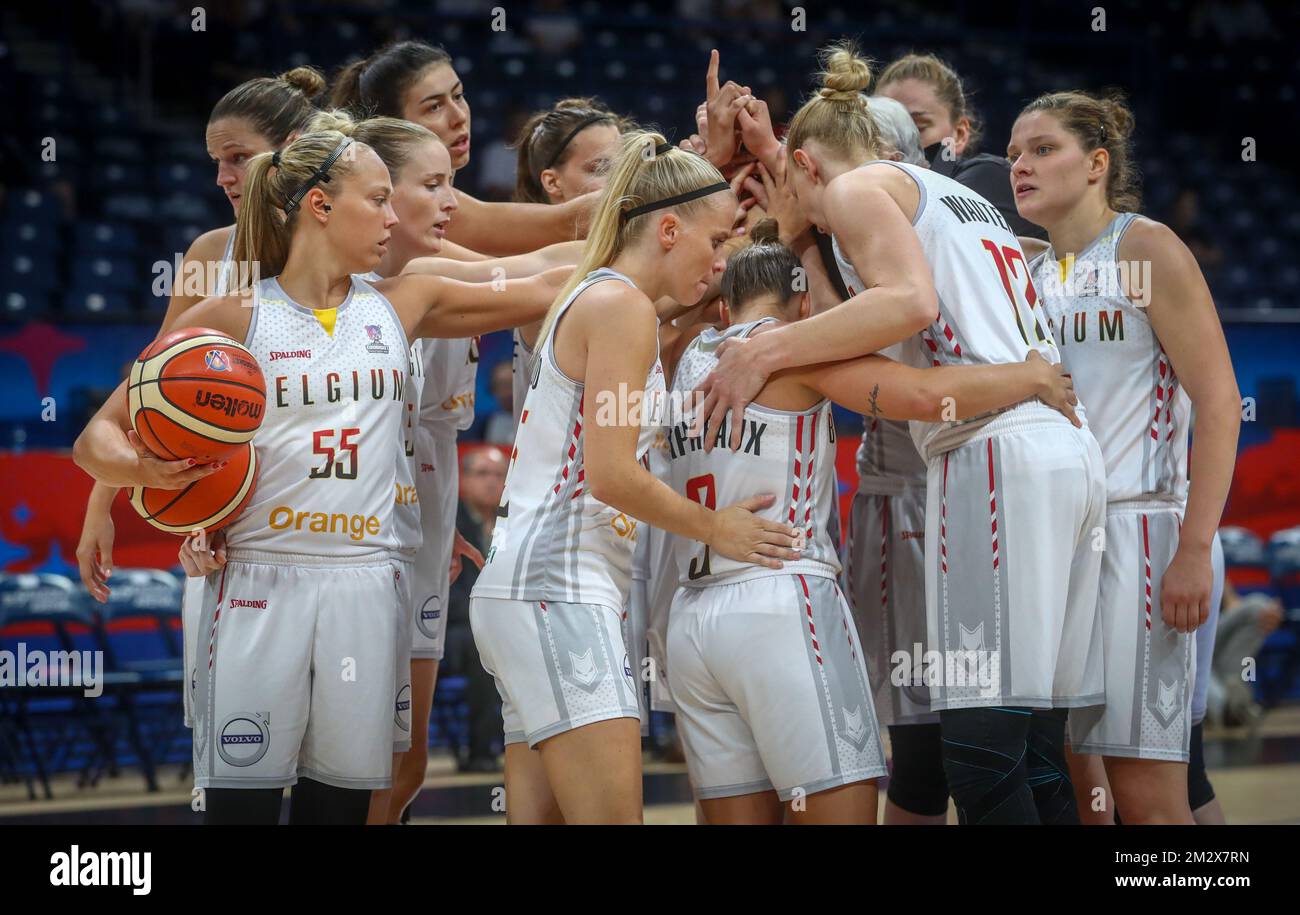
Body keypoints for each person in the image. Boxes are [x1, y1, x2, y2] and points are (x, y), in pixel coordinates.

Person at [72, 126, 568, 824]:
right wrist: (143, 467)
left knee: (338, 812)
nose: (393, 217)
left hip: (367, 584)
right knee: (238, 812)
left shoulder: (406, 300)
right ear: (319, 206)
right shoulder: (235, 314)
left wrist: (668, 220)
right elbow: (94, 436)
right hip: (256, 580)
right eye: (377, 200)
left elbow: (550, 280)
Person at [696, 42, 1108, 825]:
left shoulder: (853, 189)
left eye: (794, 180)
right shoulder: (948, 196)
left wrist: (767, 348)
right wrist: (789, 209)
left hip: (994, 456)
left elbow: (909, 304)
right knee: (1040, 750)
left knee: (982, 758)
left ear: (813, 167)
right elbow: (862, 293)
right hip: (1064, 450)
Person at [662, 221, 1081, 824]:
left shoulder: (683, 352)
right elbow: (919, 395)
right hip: (782, 600)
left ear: (723, 304)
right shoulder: (792, 353)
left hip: (694, 621)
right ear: (807, 304)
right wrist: (1033, 377)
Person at [468, 132, 802, 824]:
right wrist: (718, 528)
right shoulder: (619, 307)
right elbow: (612, 474)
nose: (718, 263)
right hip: (557, 588)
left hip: (525, 590)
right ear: (669, 228)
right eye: (713, 243)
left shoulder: (606, 298)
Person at [1012, 89, 1241, 824]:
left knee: (1148, 796)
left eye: (1043, 148)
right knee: (1088, 799)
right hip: (1056, 548)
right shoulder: (1029, 270)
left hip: (1140, 535)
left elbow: (1220, 403)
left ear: (1097, 163)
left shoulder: (1144, 247)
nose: (1021, 164)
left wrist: (1196, 547)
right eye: (1015, 152)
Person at [75, 67, 326, 736]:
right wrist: (103, 501)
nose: (222, 176)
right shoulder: (211, 255)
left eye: (238, 157)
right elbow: (146, 391)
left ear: (292, 147)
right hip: (236, 521)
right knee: (241, 747)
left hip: (337, 520)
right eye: (217, 161)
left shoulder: (351, 249)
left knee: (359, 758)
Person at [331, 40, 595, 256]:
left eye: (458, 96)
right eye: (434, 107)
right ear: (395, 126)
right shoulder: (401, 205)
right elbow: (560, 228)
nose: (459, 116)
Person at [876, 52, 1045, 241]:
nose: (900, 143)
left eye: (918, 128)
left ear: (959, 134)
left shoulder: (986, 175)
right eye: (887, 130)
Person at [445, 447, 510, 772]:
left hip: (504, 621)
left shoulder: (513, 522)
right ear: (464, 480)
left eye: (499, 475)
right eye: (482, 474)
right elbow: (446, 589)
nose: (492, 482)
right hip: (452, 626)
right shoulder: (450, 522)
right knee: (480, 645)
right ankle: (482, 751)